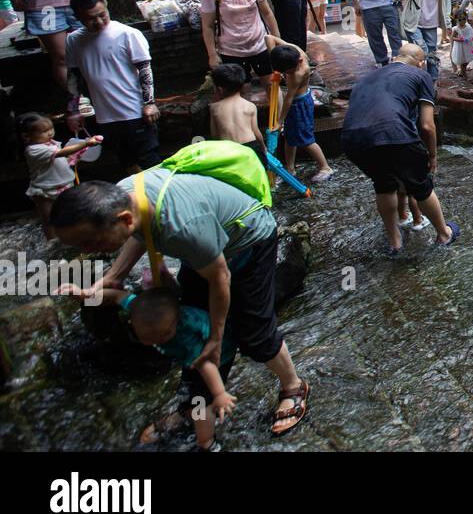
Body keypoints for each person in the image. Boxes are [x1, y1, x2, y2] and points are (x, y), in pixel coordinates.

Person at [51, 160, 310, 436]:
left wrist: (216, 338)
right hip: (208, 244)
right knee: (189, 334)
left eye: (92, 243)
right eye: (80, 246)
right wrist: (115, 277)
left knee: (251, 331)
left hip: (249, 240)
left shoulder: (182, 228)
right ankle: (193, 407)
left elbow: (220, 278)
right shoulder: (122, 196)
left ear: (124, 219)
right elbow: (141, 231)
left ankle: (294, 386)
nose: (89, 251)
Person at [60, 284, 238, 450]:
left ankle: (208, 442)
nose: (150, 341)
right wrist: (85, 296)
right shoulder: (141, 310)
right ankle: (186, 413)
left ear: (171, 331)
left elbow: (205, 365)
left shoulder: (184, 339)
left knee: (201, 402)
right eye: (144, 335)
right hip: (193, 357)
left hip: (214, 356)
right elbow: (116, 296)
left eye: (158, 338)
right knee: (189, 387)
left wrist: (219, 394)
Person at [341, 42, 457, 253]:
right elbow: (427, 125)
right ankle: (444, 233)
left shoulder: (365, 78)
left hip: (352, 139)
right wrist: (432, 156)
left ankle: (395, 242)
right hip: (394, 133)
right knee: (421, 185)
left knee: (383, 183)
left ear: (395, 57)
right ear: (421, 63)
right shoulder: (420, 75)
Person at [65, 0, 161, 172]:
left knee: (150, 161)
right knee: (127, 162)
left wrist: (149, 103)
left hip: (134, 110)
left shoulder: (127, 34)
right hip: (104, 115)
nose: (99, 22)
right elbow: (73, 76)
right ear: (78, 18)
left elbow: (144, 69)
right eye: (91, 19)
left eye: (102, 15)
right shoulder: (74, 39)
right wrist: (73, 110)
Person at [200, 0, 279, 85]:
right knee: (239, 89)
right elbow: (207, 26)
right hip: (231, 50)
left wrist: (276, 39)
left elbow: (267, 13)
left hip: (260, 45)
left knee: (271, 84)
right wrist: (212, 55)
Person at [19, 112, 100, 236]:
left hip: (65, 184)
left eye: (51, 128)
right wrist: (85, 144)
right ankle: (52, 241)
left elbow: (60, 160)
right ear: (27, 136)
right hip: (44, 190)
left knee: (71, 214)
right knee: (49, 220)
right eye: (44, 131)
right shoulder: (33, 150)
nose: (50, 133)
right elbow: (60, 153)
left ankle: (72, 236)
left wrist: (72, 158)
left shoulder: (51, 143)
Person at [268, 39, 334, 184]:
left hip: (299, 105)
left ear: (298, 61)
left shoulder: (297, 74)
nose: (289, 73)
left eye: (288, 71)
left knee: (305, 139)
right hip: (297, 102)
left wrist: (280, 121)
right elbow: (269, 38)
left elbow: (289, 98)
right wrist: (274, 62)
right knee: (290, 137)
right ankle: (290, 168)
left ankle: (325, 167)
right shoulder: (295, 49)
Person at [208, 63, 265, 165]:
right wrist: (263, 147)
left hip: (229, 150)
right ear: (242, 86)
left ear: (220, 89)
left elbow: (215, 135)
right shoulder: (250, 106)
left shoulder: (214, 108)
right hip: (251, 148)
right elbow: (256, 133)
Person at [449, 9, 473, 77]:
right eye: (460, 20)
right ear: (456, 20)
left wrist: (469, 38)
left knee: (467, 59)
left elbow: (471, 34)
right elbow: (452, 38)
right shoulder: (456, 29)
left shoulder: (468, 26)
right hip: (460, 46)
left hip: (468, 45)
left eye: (464, 19)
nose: (462, 21)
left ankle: (462, 70)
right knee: (461, 59)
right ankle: (463, 72)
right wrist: (459, 39)